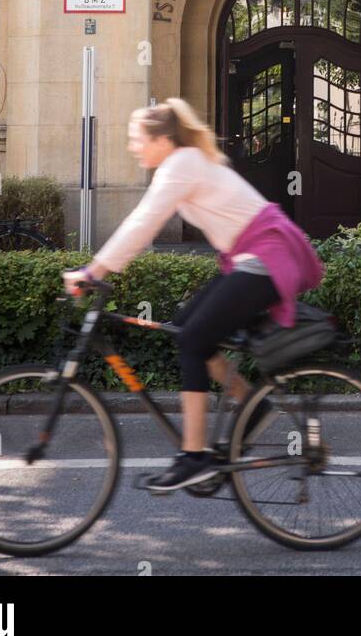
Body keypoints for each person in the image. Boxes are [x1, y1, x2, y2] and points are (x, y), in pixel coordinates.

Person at [62, 98, 324, 492]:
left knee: (192, 339)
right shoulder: (184, 163)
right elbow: (146, 220)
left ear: (163, 140)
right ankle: (252, 406)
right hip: (252, 259)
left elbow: (143, 222)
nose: (133, 147)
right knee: (184, 327)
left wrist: (93, 270)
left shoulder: (182, 163)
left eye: (137, 139)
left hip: (267, 257)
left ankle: (194, 456)